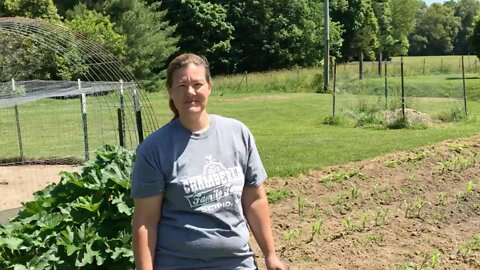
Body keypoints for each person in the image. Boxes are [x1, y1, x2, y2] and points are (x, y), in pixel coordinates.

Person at [131, 53, 287, 270]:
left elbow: (255, 199)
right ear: (170, 91)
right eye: (181, 85)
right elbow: (145, 221)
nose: (190, 92)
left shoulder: (237, 134)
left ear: (209, 87)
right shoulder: (154, 149)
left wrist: (270, 254)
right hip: (180, 264)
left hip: (236, 262)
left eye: (197, 84)